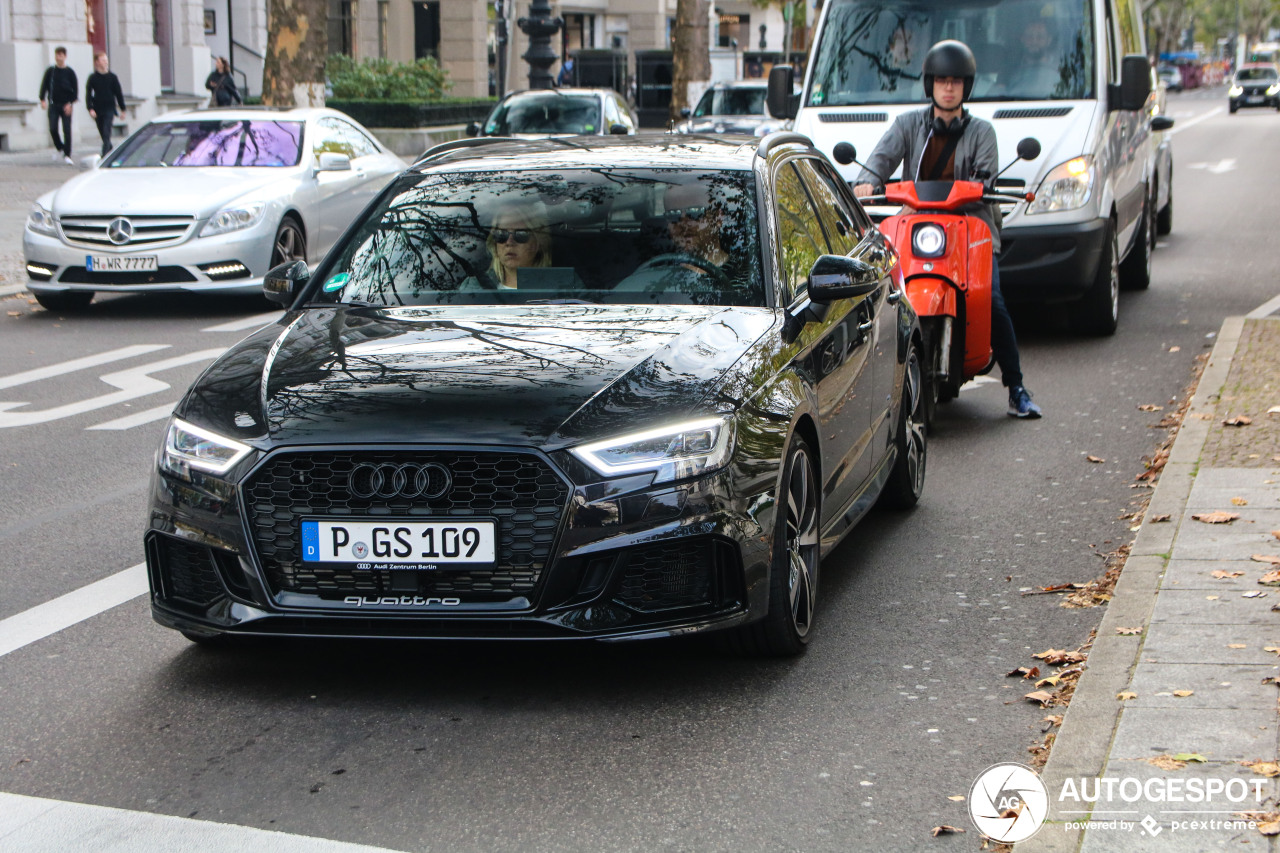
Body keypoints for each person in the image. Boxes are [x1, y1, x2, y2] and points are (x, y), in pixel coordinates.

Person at [854, 40, 1042, 418]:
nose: (949, 87)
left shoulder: (982, 133)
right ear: (930, 84)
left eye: (956, 81)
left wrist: (984, 187)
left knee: (992, 299)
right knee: (881, 295)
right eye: (942, 80)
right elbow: (878, 162)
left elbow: (985, 180)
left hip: (969, 227)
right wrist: (866, 181)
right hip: (917, 224)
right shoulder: (908, 125)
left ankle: (1016, 387)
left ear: (966, 87)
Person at [470, 203, 552, 289]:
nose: (509, 242)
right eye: (501, 234)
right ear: (495, 243)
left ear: (538, 243)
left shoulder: (558, 289)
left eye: (520, 234)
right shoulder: (473, 288)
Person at [39, 47, 78, 164]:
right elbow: (44, 85)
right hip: (53, 104)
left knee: (67, 129)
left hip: (66, 104)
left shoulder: (70, 72)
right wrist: (42, 99)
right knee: (53, 128)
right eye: (57, 55)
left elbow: (75, 91)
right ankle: (60, 147)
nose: (58, 57)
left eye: (60, 55)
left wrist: (70, 103)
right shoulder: (51, 71)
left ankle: (67, 154)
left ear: (65, 56)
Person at [86, 52, 126, 157]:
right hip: (98, 109)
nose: (105, 62)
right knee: (103, 134)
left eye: (106, 60)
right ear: (97, 62)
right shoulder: (93, 78)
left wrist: (123, 109)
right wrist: (90, 108)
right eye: (103, 60)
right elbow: (88, 94)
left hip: (109, 108)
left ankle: (104, 155)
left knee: (106, 131)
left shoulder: (112, 77)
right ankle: (111, 150)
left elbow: (118, 93)